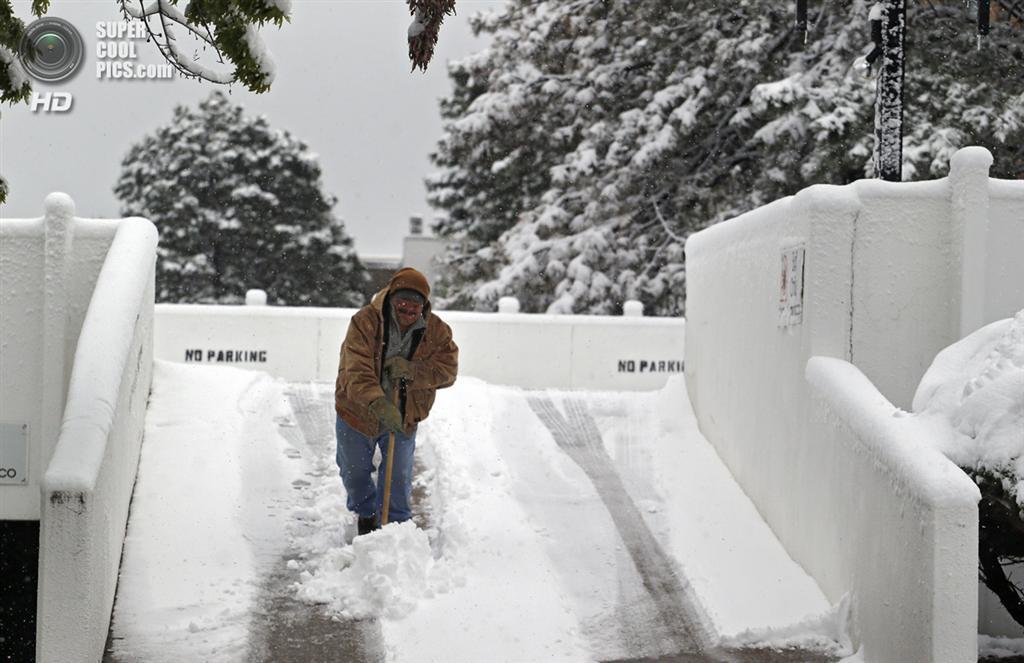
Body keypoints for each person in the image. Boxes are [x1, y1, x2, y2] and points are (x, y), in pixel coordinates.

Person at [334, 267, 459, 535]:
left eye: (415, 303)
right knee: (354, 474)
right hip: (356, 411)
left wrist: (412, 371)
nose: (408, 308)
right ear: (391, 297)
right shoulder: (365, 321)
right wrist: (378, 403)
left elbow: (448, 371)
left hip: (404, 415)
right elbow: (355, 370)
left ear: (424, 305)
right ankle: (366, 513)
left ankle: (396, 530)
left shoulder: (436, 330)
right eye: (402, 300)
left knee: (398, 479)